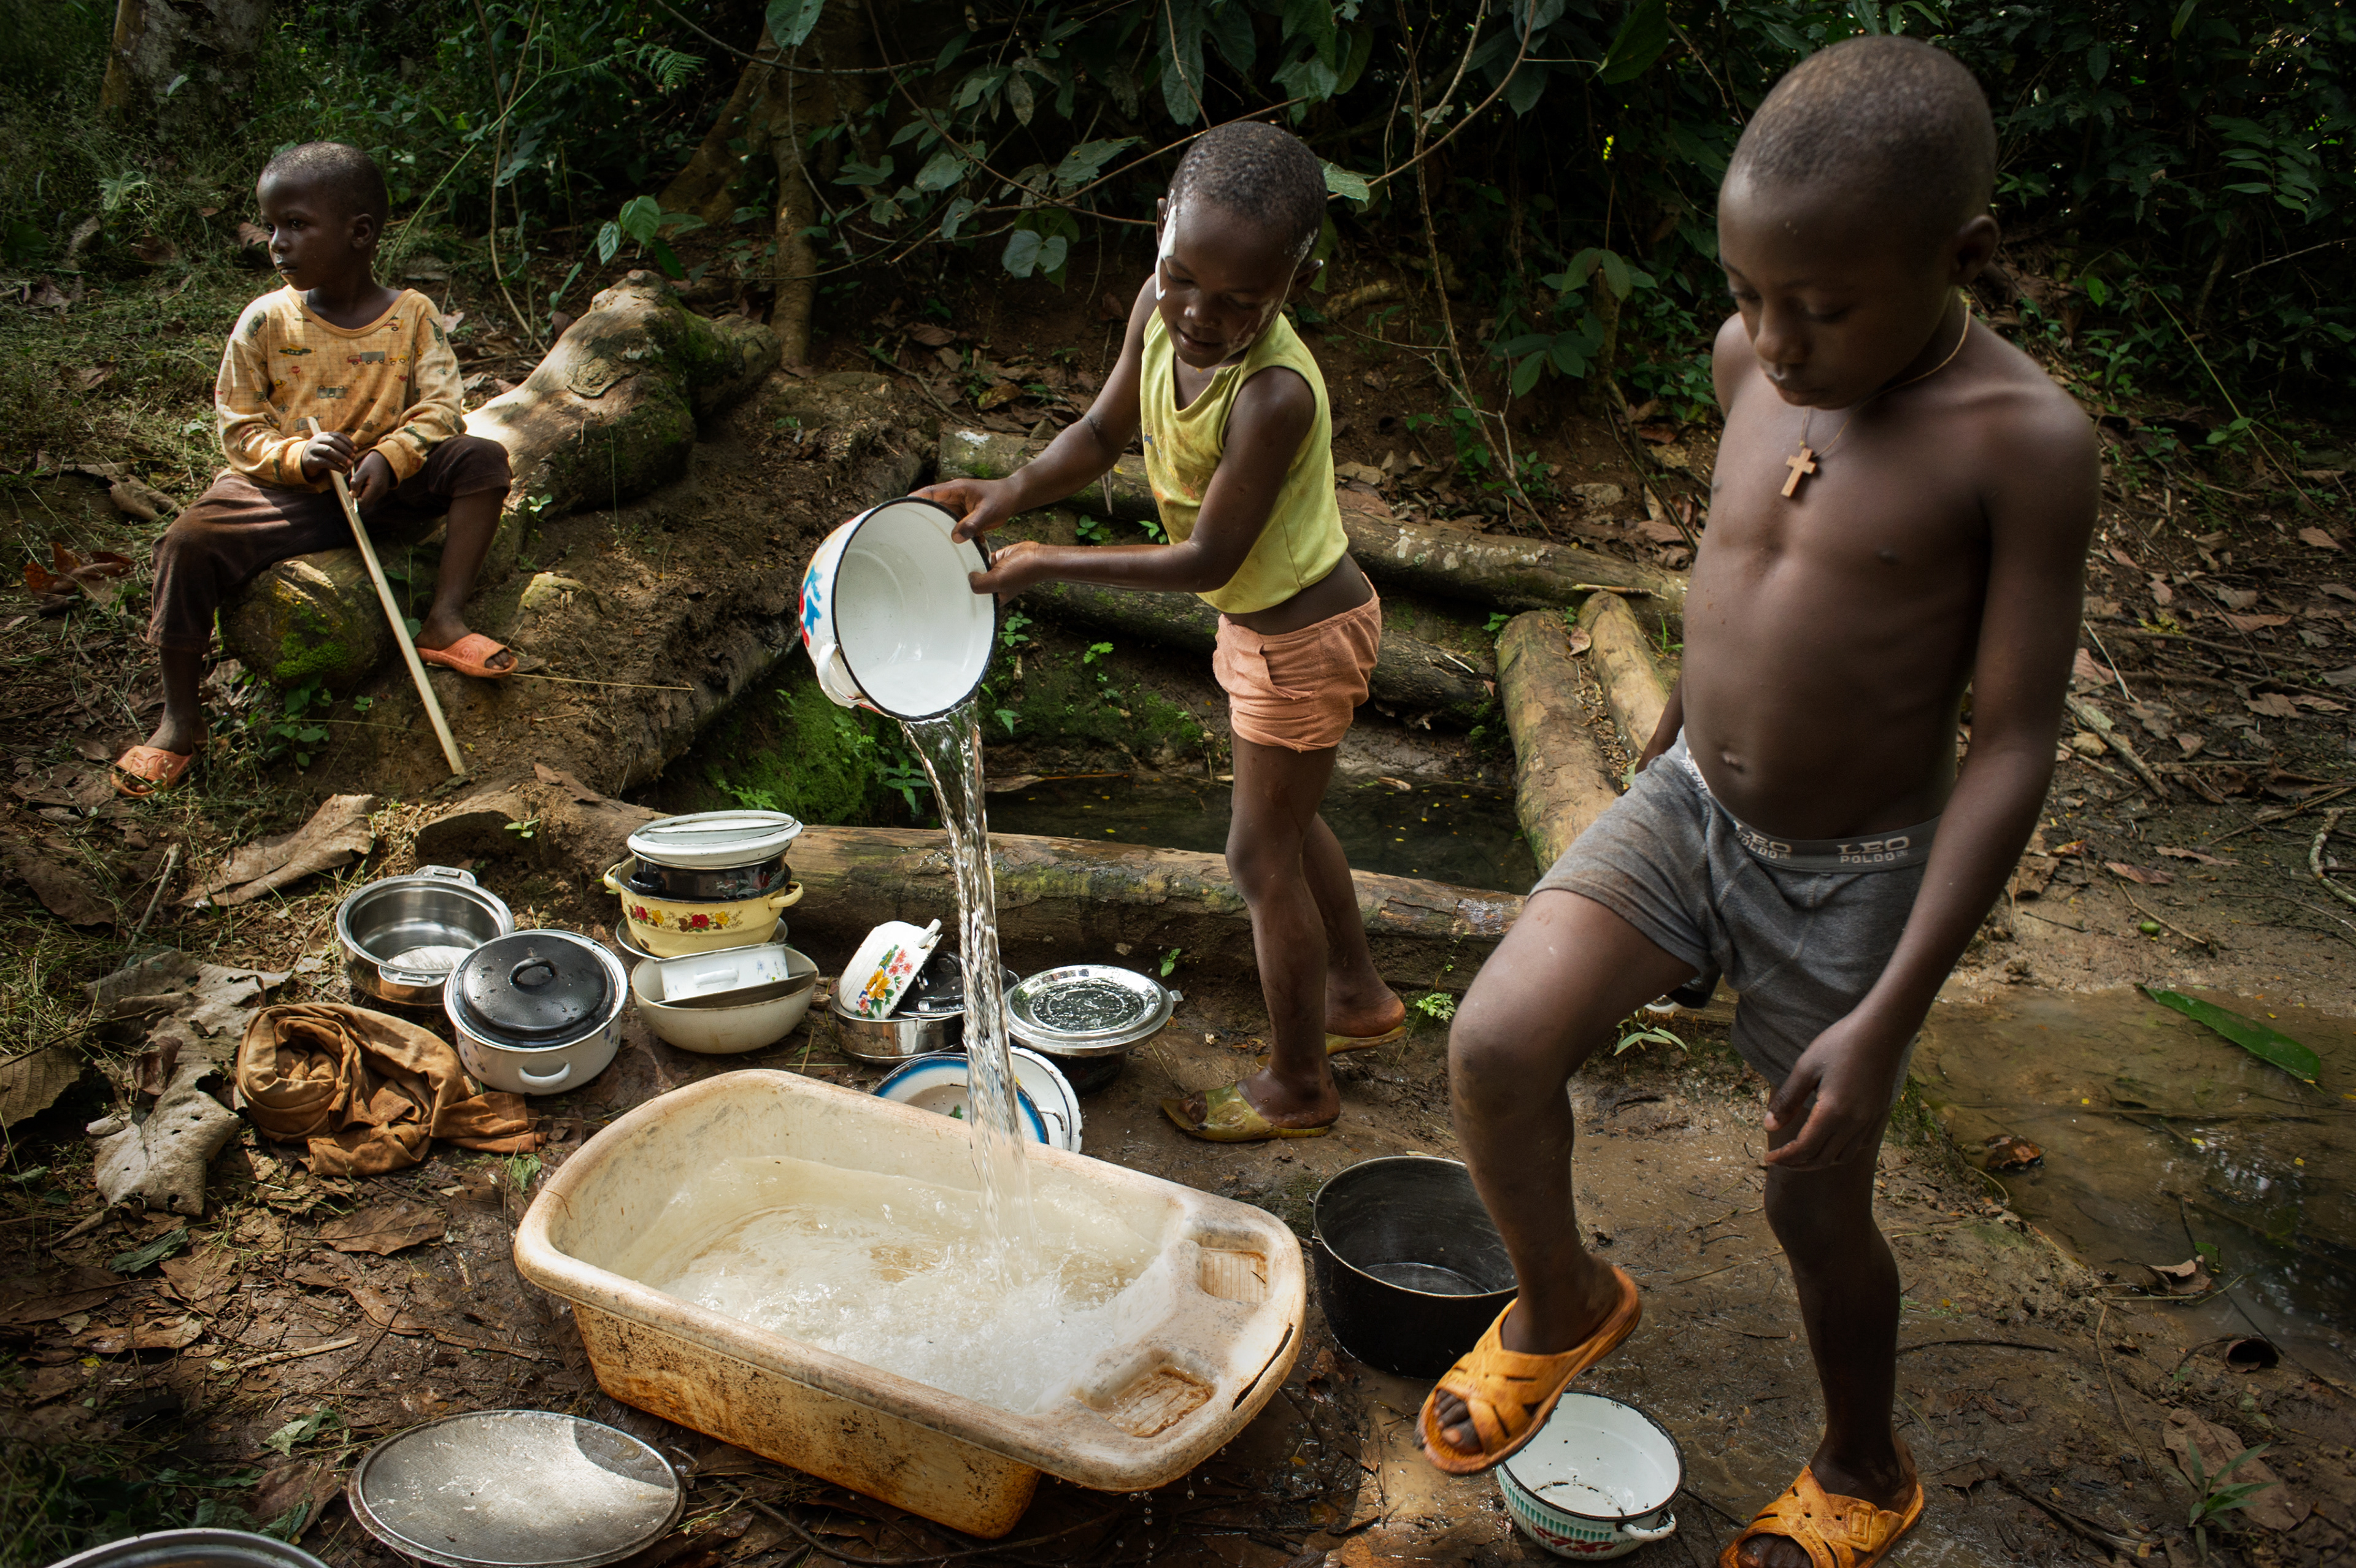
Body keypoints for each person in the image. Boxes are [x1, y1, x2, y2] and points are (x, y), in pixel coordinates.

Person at [1419, 38, 2098, 1568]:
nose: (1774, 343)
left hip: (1850, 871)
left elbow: (2010, 744)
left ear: (1960, 258)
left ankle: (1861, 1460)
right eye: (1745, 294)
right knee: (1494, 1045)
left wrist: (1887, 1014)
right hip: (1684, 808)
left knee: (1809, 1196)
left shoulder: (2021, 443)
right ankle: (1563, 1302)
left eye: (1823, 306)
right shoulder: (1750, 368)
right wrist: (1678, 730)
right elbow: (1738, 566)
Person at [917, 120, 1405, 1143]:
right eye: (1182, 278)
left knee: (1258, 856)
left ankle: (1298, 1085)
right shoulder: (1157, 308)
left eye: (1240, 301)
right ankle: (1358, 997)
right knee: (1290, 820)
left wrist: (1050, 565)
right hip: (1266, 629)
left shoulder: (1273, 393)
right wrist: (1010, 492)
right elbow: (1101, 434)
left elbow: (1207, 561)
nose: (1199, 314)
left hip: (1302, 636)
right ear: (1159, 236)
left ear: (1291, 282)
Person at [115, 140, 515, 797]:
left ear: (360, 234)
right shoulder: (265, 321)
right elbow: (238, 427)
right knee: (187, 541)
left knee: (481, 459)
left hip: (385, 485)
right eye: (272, 226)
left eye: (296, 225)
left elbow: (444, 407)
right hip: (290, 493)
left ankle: (444, 620)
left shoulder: (413, 317)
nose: (276, 243)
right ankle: (180, 721)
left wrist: (393, 454)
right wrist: (296, 457)